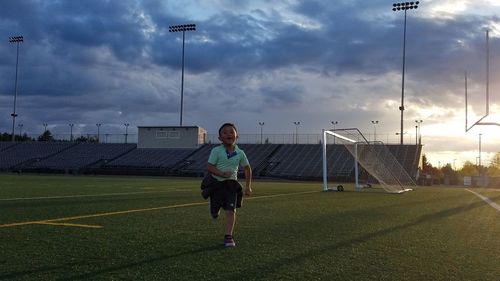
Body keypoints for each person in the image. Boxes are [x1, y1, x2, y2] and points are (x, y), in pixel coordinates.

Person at [206, 122, 252, 247]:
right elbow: (209, 167)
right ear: (220, 138)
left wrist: (248, 186)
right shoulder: (216, 151)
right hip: (216, 184)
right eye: (225, 132)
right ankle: (213, 209)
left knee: (231, 210)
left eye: (231, 131)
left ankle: (228, 236)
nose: (228, 134)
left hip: (231, 185)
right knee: (215, 208)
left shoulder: (240, 153)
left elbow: (247, 169)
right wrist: (221, 173)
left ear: (237, 136)